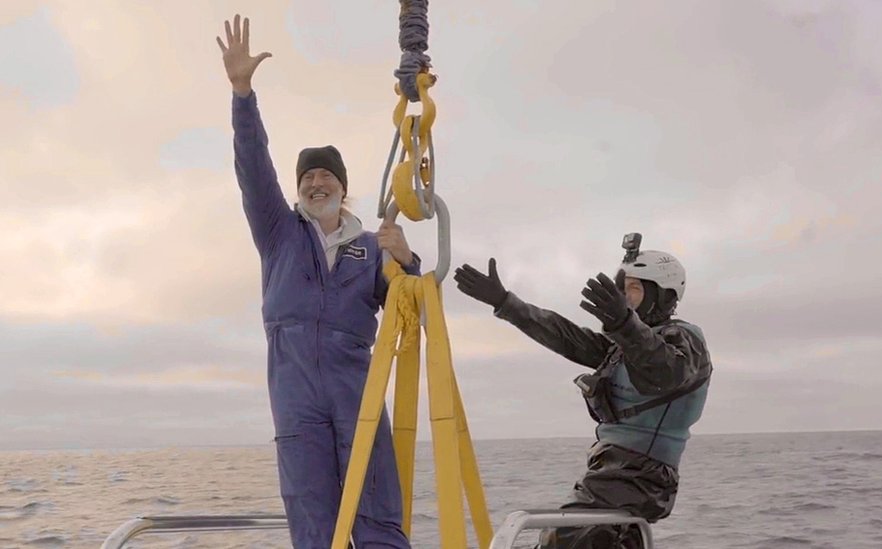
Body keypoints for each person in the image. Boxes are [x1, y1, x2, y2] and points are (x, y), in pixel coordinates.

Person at [217, 14, 416, 548]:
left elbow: (409, 310)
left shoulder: (373, 246)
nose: (315, 181)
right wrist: (242, 94)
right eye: (307, 176)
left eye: (326, 174)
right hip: (295, 394)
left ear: (343, 188)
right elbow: (252, 167)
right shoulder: (278, 232)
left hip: (357, 390)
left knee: (377, 515)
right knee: (313, 524)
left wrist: (409, 263)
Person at [454, 234, 713, 548]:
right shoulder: (625, 344)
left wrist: (623, 323)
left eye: (635, 288)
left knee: (559, 539)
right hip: (611, 471)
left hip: (643, 475)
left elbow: (664, 373)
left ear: (662, 296)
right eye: (624, 288)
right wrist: (506, 303)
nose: (626, 297)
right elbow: (567, 337)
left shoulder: (684, 338)